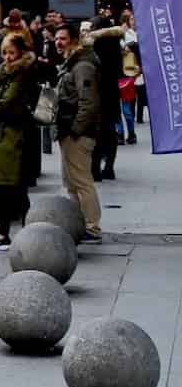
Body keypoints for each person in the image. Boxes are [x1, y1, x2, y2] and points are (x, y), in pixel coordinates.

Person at [0, 34, 41, 252]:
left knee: (12, 187)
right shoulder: (11, 73)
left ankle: (11, 234)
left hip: (16, 137)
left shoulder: (21, 74)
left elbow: (6, 101)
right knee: (12, 188)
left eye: (11, 53)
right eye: (4, 52)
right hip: (9, 135)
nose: (6, 57)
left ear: (21, 53)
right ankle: (9, 233)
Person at [54, 25, 104, 242]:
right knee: (72, 182)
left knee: (82, 181)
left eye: (63, 38)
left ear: (74, 40)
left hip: (78, 134)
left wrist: (75, 129)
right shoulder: (73, 63)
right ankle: (78, 223)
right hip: (69, 131)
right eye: (56, 38)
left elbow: (88, 103)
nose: (58, 42)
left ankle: (92, 227)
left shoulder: (83, 65)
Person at [89, 20, 127, 181]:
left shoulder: (94, 45)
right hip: (111, 93)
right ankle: (109, 167)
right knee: (109, 132)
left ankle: (95, 169)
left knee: (96, 133)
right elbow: (120, 70)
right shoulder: (115, 45)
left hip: (97, 92)